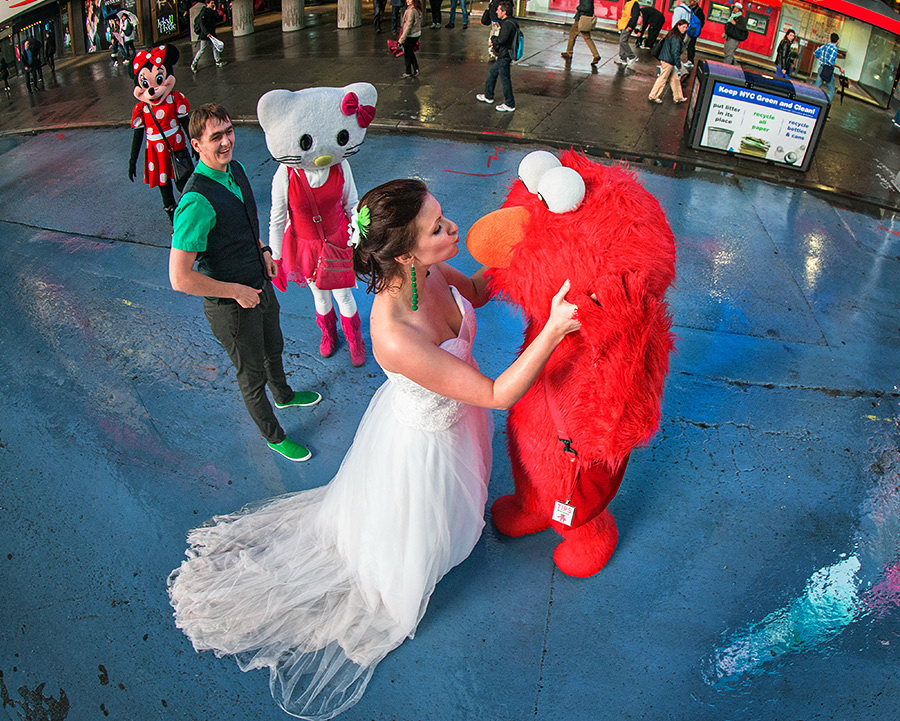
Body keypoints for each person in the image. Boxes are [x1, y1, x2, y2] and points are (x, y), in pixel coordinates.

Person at [168, 176, 580, 720]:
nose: (453, 227)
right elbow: (498, 394)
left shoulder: (426, 270)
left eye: (443, 216)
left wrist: (528, 251)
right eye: (438, 227)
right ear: (405, 253)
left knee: (457, 510)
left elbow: (476, 292)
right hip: (428, 444)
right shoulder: (391, 331)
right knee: (420, 531)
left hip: (458, 418)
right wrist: (552, 330)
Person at [169, 104, 321, 462]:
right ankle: (274, 436)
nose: (226, 142)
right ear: (197, 144)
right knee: (251, 375)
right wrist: (234, 292)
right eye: (215, 137)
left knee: (274, 346)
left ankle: (283, 395)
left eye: (228, 131)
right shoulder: (195, 201)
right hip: (231, 307)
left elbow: (242, 226)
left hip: (258, 283)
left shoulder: (233, 170)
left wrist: (264, 249)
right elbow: (180, 278)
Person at [475, 0, 518, 112]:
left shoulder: (507, 24)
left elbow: (502, 40)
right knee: (492, 74)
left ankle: (510, 103)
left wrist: (494, 39)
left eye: (498, 10)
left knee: (505, 80)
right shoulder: (510, 22)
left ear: (504, 12)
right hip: (505, 54)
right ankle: (488, 95)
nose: (496, 11)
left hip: (504, 55)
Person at [648, 19, 689, 104]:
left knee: (675, 79)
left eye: (686, 27)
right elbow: (675, 52)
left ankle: (678, 97)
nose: (685, 29)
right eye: (683, 27)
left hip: (667, 59)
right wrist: (679, 65)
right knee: (663, 79)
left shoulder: (672, 34)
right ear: (678, 26)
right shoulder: (677, 38)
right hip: (669, 61)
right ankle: (653, 95)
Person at [560, 0, 601, 68]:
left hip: (581, 18)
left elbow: (586, 7)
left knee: (572, 35)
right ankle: (596, 55)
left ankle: (569, 52)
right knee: (587, 38)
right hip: (586, 18)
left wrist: (579, 8)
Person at [191, 0, 226, 73]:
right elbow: (202, 24)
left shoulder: (210, 12)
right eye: (212, 3)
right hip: (205, 35)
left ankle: (218, 61)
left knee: (214, 47)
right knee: (202, 50)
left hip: (211, 33)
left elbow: (217, 19)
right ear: (207, 4)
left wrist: (215, 11)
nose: (213, 4)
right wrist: (206, 33)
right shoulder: (203, 13)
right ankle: (194, 64)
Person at [814, 32, 841, 104]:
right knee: (831, 90)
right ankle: (826, 104)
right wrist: (839, 67)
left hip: (821, 68)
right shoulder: (834, 49)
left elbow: (816, 52)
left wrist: (820, 58)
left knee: (816, 87)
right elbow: (830, 61)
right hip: (828, 70)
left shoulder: (825, 46)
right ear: (837, 41)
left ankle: (811, 100)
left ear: (830, 39)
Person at [398, 0, 422, 77]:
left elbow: (408, 26)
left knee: (408, 54)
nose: (407, 1)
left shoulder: (411, 11)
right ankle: (416, 69)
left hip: (411, 35)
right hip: (416, 33)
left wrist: (401, 40)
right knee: (410, 52)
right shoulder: (416, 9)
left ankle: (409, 71)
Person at [615, 0, 640, 66]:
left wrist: (630, 26)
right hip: (624, 25)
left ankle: (632, 56)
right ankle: (623, 58)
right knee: (622, 41)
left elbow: (635, 16)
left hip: (627, 25)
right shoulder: (629, 3)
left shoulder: (634, 3)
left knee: (623, 41)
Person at [684, 0, 705, 68]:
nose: (690, 1)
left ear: (696, 2)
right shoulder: (689, 8)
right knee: (688, 45)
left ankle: (690, 60)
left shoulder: (699, 10)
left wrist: (696, 28)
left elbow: (702, 21)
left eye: (692, 0)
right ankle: (689, 60)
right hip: (688, 28)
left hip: (693, 30)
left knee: (691, 45)